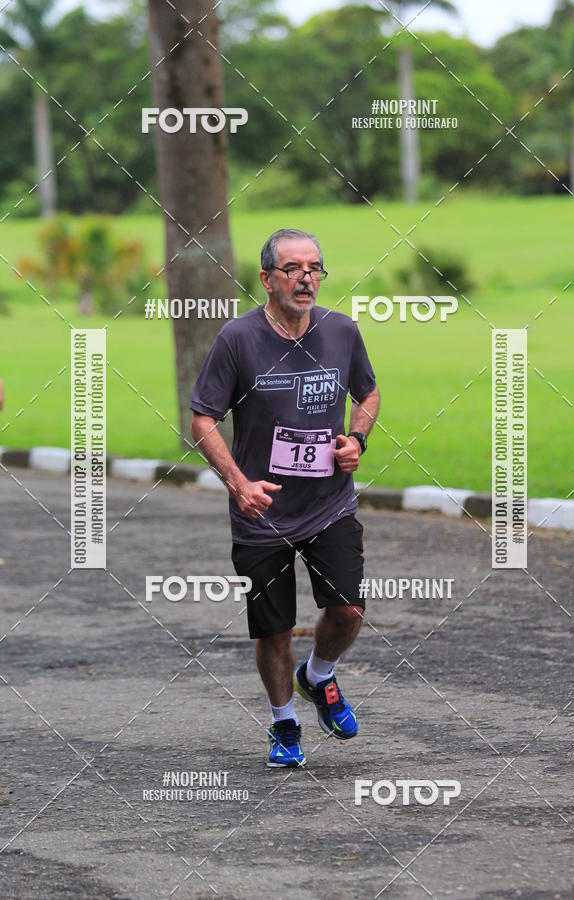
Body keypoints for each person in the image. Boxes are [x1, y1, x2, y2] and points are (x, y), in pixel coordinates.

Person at [190, 228, 380, 767]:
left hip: (329, 502)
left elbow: (367, 393)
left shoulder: (341, 331)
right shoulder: (238, 339)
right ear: (267, 278)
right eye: (293, 268)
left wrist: (357, 439)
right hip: (263, 512)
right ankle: (284, 723)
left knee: (348, 609)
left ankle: (317, 675)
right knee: (273, 630)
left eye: (314, 268)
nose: (306, 278)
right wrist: (239, 483)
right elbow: (203, 418)